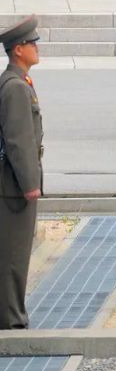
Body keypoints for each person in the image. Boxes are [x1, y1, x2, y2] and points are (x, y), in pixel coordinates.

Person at [0, 17, 42, 330]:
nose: (36, 48)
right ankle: (11, 317)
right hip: (12, 186)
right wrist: (30, 184)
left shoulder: (18, 82)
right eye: (32, 43)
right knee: (14, 254)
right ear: (18, 50)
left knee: (14, 252)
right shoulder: (15, 87)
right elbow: (19, 141)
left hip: (12, 182)